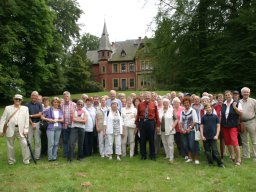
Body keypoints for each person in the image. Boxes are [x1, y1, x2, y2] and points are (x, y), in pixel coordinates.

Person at [0, 94, 30, 165]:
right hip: (10, 129)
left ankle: (26, 160)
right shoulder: (8, 108)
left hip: (21, 130)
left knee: (25, 144)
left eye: (19, 99)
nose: (17, 100)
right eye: (16, 99)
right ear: (13, 99)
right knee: (10, 146)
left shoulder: (25, 108)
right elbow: (3, 119)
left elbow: (27, 119)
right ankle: (11, 161)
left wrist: (26, 129)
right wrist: (1, 130)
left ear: (21, 101)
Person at [135, 91, 160, 160]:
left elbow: (157, 115)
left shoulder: (154, 104)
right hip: (142, 123)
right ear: (144, 97)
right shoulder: (140, 104)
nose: (147, 97)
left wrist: (158, 125)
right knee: (142, 140)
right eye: (146, 96)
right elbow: (137, 115)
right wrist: (137, 124)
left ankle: (152, 155)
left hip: (151, 123)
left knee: (152, 140)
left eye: (148, 96)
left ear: (150, 97)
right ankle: (143, 155)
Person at [221, 90, 242, 166]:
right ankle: (232, 155)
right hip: (224, 126)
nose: (227, 96)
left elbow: (241, 113)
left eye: (229, 95)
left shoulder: (237, 103)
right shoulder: (223, 104)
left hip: (233, 126)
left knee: (234, 141)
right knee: (227, 141)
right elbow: (222, 115)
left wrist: (235, 107)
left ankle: (238, 159)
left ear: (232, 95)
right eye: (226, 95)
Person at [200, 104, 225, 168]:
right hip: (205, 137)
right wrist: (202, 136)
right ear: (205, 109)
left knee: (215, 150)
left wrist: (216, 135)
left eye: (209, 107)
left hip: (213, 136)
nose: (208, 109)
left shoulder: (215, 117)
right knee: (207, 151)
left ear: (212, 108)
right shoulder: (203, 117)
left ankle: (220, 163)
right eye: (206, 108)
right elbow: (201, 127)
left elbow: (218, 126)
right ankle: (210, 163)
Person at [41, 97, 64, 161]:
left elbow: (62, 120)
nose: (56, 103)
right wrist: (49, 119)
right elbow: (42, 117)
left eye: (57, 102)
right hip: (50, 128)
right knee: (51, 143)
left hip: (58, 128)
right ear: (52, 103)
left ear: (59, 103)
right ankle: (50, 157)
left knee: (56, 143)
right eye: (54, 102)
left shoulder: (60, 111)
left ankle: (54, 156)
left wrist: (57, 120)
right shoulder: (49, 110)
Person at [180, 96, 200, 164]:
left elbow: (195, 121)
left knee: (192, 144)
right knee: (186, 144)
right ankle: (190, 158)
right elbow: (181, 121)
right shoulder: (182, 111)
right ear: (183, 104)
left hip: (192, 131)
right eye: (185, 103)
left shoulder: (192, 111)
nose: (186, 104)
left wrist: (190, 128)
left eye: (187, 103)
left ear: (190, 103)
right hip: (184, 131)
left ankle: (196, 159)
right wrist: (182, 129)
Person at [239, 87, 256, 160]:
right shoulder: (239, 102)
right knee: (244, 140)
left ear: (249, 93)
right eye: (244, 92)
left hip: (252, 121)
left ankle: (255, 155)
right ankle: (246, 155)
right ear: (242, 93)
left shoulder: (254, 101)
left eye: (247, 92)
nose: (246, 93)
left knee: (254, 140)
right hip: (242, 123)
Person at [159, 98, 177, 163]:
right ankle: (167, 155)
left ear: (168, 103)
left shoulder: (171, 110)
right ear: (163, 103)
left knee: (170, 144)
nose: (165, 104)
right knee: (164, 143)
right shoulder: (160, 110)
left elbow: (176, 120)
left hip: (170, 130)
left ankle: (171, 157)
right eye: (164, 103)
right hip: (162, 130)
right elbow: (159, 120)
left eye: (166, 102)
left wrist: (172, 127)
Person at [26, 91, 43, 160]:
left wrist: (31, 115)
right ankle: (28, 157)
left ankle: (37, 156)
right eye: (33, 95)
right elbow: (26, 116)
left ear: (37, 97)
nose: (34, 97)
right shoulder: (27, 105)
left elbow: (40, 114)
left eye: (35, 96)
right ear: (31, 96)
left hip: (38, 124)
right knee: (29, 141)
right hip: (29, 124)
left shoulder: (39, 104)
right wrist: (32, 123)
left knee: (37, 141)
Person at [61, 91, 76, 157]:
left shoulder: (74, 104)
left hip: (72, 126)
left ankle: (71, 152)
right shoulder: (61, 105)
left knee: (72, 141)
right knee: (65, 140)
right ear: (63, 97)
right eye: (65, 96)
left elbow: (76, 115)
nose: (66, 97)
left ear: (70, 97)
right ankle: (66, 153)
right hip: (64, 126)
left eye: (67, 96)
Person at [214, 94, 226, 158]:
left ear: (223, 99)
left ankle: (223, 152)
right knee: (216, 138)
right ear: (217, 99)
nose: (220, 99)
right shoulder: (215, 106)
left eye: (221, 98)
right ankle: (216, 151)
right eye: (219, 98)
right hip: (217, 124)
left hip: (225, 124)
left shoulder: (225, 106)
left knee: (224, 139)